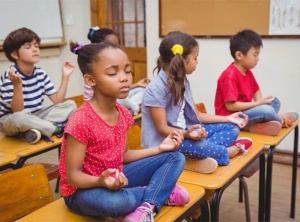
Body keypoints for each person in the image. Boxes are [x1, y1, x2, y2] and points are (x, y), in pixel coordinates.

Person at [59, 41, 190, 222]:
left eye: (127, 71)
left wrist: (160, 149)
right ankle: (157, 193)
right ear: (90, 80)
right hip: (83, 191)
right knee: (117, 204)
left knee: (175, 157)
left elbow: (124, 155)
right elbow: (72, 176)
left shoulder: (123, 113)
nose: (124, 78)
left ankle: (147, 206)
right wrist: (100, 181)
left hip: (118, 177)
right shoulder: (81, 120)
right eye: (113, 73)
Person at [141, 31, 252, 175]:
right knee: (199, 145)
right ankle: (227, 152)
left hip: (186, 134)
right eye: (195, 58)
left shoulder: (183, 81)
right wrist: (187, 135)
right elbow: (162, 129)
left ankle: (196, 158)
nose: (197, 62)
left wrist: (228, 118)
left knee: (232, 128)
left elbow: (197, 114)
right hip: (167, 142)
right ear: (182, 60)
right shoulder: (156, 89)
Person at [214, 29, 298, 136]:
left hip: (245, 113)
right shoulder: (229, 75)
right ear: (239, 55)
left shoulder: (247, 72)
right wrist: (259, 105)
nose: (257, 59)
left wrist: (260, 103)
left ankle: (256, 125)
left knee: (275, 101)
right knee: (266, 111)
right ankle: (280, 120)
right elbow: (231, 106)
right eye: (255, 55)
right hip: (232, 119)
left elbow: (256, 90)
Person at [0, 27, 76, 144]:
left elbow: (58, 101)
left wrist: (65, 77)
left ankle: (34, 130)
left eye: (36, 45)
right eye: (28, 47)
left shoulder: (40, 73)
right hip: (10, 121)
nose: (35, 49)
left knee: (70, 105)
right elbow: (18, 111)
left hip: (35, 116)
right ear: (15, 54)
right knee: (21, 118)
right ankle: (55, 128)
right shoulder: (10, 75)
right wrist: (17, 85)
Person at [85, 26, 150, 115]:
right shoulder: (96, 65)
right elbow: (111, 91)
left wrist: (137, 84)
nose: (116, 49)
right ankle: (133, 108)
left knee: (143, 91)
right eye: (112, 73)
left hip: (113, 95)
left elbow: (115, 87)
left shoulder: (114, 61)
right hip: (104, 102)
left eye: (127, 71)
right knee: (123, 98)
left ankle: (128, 108)